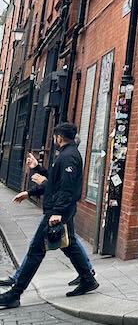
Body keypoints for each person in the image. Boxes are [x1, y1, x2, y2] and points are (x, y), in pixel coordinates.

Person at [0, 122, 98, 310]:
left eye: (55, 136)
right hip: (61, 210)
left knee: (36, 251)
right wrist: (33, 182)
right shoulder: (66, 155)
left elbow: (66, 188)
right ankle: (87, 278)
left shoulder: (69, 157)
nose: (54, 139)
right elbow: (53, 180)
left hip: (57, 211)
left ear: (59, 137)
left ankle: (15, 293)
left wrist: (58, 213)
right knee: (69, 246)